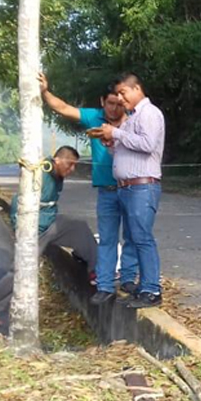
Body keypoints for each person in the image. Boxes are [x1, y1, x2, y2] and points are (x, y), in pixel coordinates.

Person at [38, 73, 139, 305]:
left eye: (119, 104)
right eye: (110, 103)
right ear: (103, 102)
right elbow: (63, 108)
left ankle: (128, 279)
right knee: (107, 237)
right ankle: (104, 284)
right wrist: (44, 92)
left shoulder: (133, 119)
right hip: (107, 189)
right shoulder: (95, 117)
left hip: (131, 187)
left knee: (133, 235)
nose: (114, 108)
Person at [0, 146, 97, 326]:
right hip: (33, 229)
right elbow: (19, 201)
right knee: (21, 268)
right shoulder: (39, 172)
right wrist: (22, 229)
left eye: (74, 166)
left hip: (49, 222)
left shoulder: (57, 175)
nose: (72, 170)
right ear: (57, 160)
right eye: (69, 165)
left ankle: (94, 270)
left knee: (79, 227)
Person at [86, 72, 165, 309]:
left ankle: (152, 289)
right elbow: (126, 151)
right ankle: (142, 287)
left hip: (142, 186)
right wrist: (112, 144)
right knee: (135, 237)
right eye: (118, 94)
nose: (120, 99)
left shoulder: (149, 113)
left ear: (137, 89)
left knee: (141, 238)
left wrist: (116, 133)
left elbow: (148, 144)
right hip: (127, 187)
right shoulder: (132, 118)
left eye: (123, 93)